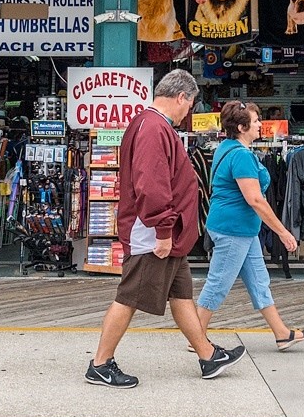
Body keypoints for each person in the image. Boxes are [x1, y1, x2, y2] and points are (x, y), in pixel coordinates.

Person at [86, 70, 247, 388]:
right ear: (181, 97)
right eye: (190, 106)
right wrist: (162, 231)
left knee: (181, 295)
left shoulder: (151, 124)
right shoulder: (154, 128)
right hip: (154, 234)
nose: (189, 113)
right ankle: (100, 364)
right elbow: (152, 184)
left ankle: (208, 355)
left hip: (165, 232)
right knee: (129, 297)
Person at [197, 101, 304, 350]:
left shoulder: (227, 147)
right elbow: (255, 200)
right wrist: (282, 232)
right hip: (233, 229)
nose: (261, 124)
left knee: (259, 282)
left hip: (241, 229)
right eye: (256, 121)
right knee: (218, 283)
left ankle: (281, 333)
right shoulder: (241, 156)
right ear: (241, 127)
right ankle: (195, 337)